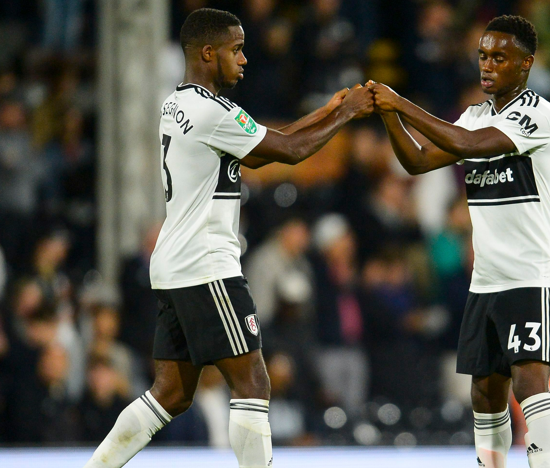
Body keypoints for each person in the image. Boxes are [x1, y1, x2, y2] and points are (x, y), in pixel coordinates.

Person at [84, 8, 373, 468]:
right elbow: (290, 151)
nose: (243, 60)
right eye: (235, 50)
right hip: (207, 264)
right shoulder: (212, 111)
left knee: (171, 395)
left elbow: (265, 142)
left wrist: (327, 110)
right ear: (207, 52)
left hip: (174, 262)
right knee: (253, 383)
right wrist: (348, 116)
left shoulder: (176, 104)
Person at [369, 15, 550, 468]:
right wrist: (388, 116)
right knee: (485, 389)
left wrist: (402, 103)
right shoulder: (476, 113)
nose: (488, 65)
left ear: (526, 64)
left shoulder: (537, 113)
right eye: (482, 55)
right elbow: (418, 161)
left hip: (530, 272)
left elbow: (470, 144)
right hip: (487, 277)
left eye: (500, 57)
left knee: (529, 384)